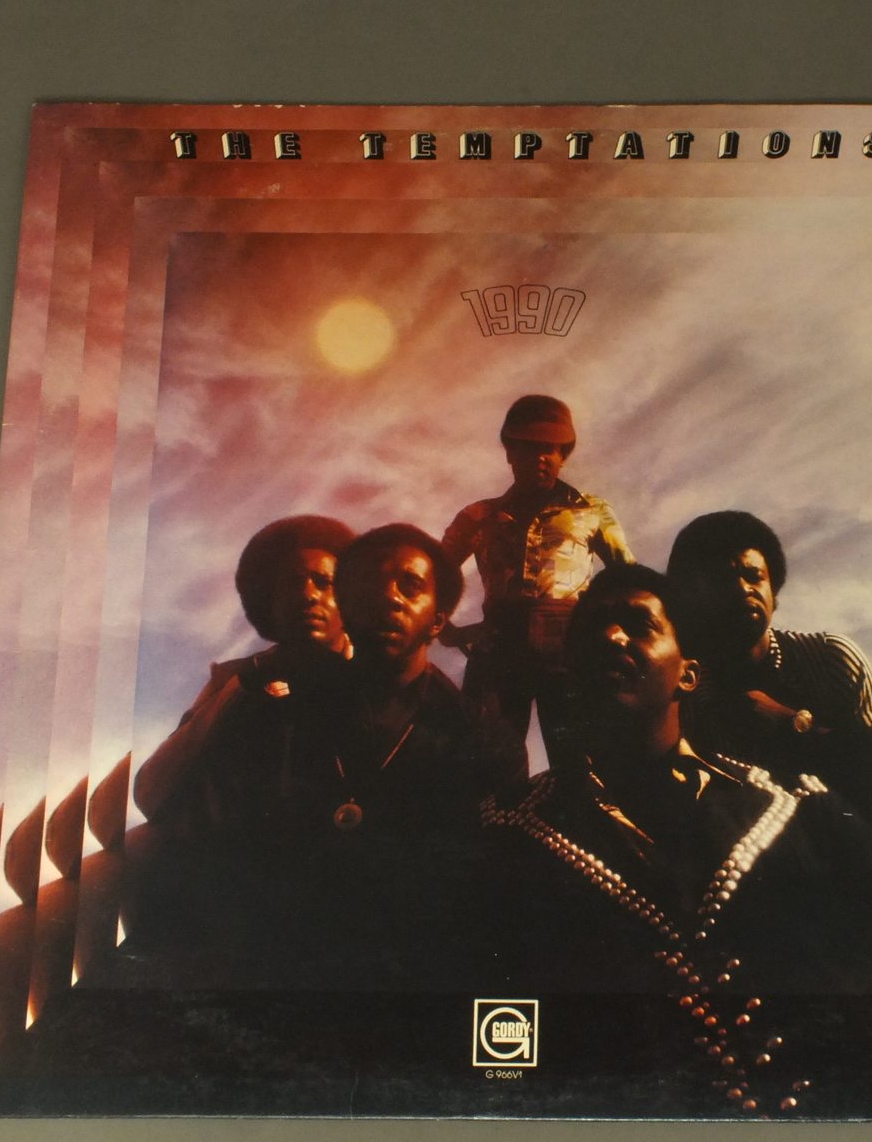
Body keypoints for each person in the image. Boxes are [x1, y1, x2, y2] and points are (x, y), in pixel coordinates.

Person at [485, 564, 872, 1117]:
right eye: (591, 631)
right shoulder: (507, 834)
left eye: (639, 625)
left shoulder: (794, 810)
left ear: (689, 675)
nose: (612, 637)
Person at [124, 523, 516, 990]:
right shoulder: (266, 708)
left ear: (437, 620)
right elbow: (199, 840)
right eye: (368, 584)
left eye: (409, 585)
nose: (387, 597)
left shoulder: (475, 736)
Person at [664, 510, 872, 838]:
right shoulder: (686, 694)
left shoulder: (832, 658)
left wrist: (794, 723)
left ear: (773, 590)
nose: (742, 588)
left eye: (754, 576)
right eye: (722, 580)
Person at [441, 394, 633, 771]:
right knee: (490, 765)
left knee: (581, 766)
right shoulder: (478, 516)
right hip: (498, 650)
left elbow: (627, 576)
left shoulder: (591, 511)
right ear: (510, 453)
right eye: (529, 448)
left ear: (563, 455)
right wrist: (447, 630)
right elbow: (434, 572)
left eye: (551, 449)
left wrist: (608, 635)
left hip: (570, 650)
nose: (541, 457)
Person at [133, 514, 354, 825]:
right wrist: (237, 688)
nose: (308, 595)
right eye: (292, 583)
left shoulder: (384, 676)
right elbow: (151, 793)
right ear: (271, 602)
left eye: (323, 582)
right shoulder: (234, 680)